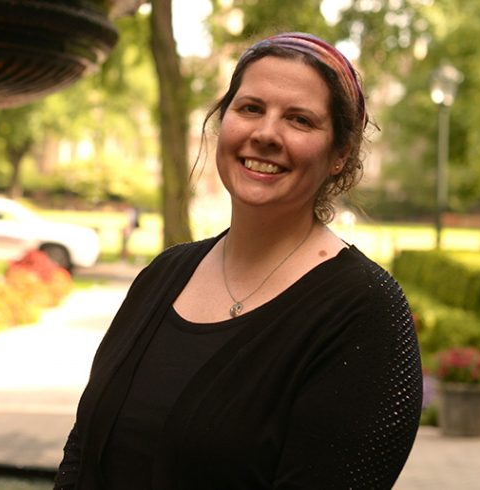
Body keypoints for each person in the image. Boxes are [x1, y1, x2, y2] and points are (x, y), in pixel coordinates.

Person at [54, 32, 422, 489]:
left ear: (339, 155)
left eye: (300, 120)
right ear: (223, 120)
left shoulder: (367, 312)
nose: (266, 134)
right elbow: (81, 452)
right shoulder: (164, 275)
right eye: (250, 108)